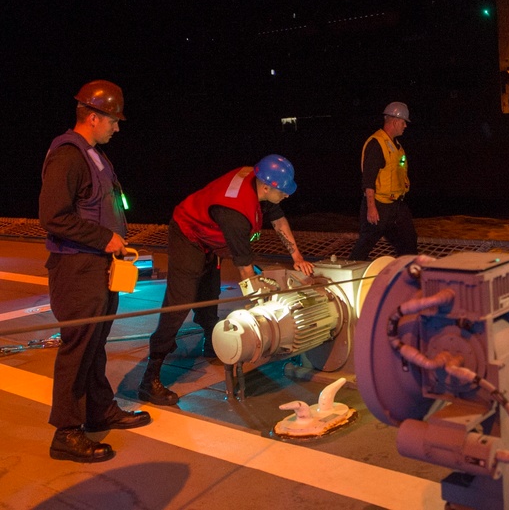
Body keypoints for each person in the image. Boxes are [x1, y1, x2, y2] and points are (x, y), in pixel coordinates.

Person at [138, 154, 315, 405]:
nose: (287, 195)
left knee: (210, 294)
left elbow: (277, 218)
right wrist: (261, 306)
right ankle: (150, 376)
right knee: (182, 301)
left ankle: (210, 343)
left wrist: (297, 256)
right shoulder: (236, 213)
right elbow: (245, 272)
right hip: (188, 233)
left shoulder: (259, 180)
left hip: (210, 238)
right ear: (266, 187)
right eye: (283, 191)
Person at [39, 80, 151, 463]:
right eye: (113, 121)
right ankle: (66, 432)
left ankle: (99, 409)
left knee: (95, 342)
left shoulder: (94, 155)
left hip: (99, 266)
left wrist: (114, 244)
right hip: (76, 268)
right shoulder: (69, 155)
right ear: (92, 116)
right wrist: (105, 238)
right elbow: (53, 216)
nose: (117, 127)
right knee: (78, 346)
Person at [347, 102, 418, 260]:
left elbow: (398, 167)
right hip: (379, 205)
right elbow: (368, 180)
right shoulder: (376, 143)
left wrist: (403, 182)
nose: (405, 125)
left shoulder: (397, 146)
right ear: (394, 121)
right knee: (366, 242)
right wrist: (371, 207)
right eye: (403, 122)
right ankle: (349, 271)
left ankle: (407, 276)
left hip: (396, 205)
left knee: (409, 241)